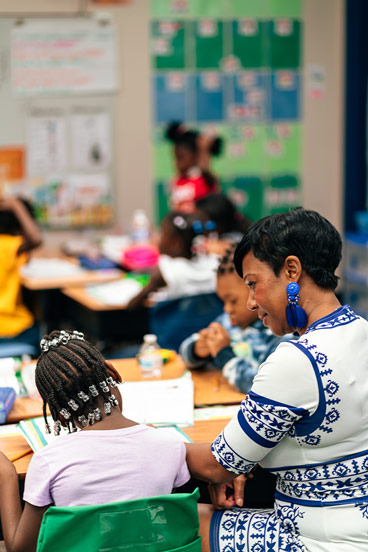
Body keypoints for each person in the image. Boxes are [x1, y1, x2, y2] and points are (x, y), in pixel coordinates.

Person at [183, 208, 368, 551]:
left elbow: (215, 465)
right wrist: (240, 461)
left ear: (292, 270)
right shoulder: (361, 331)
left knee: (170, 520)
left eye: (253, 284)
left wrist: (151, 447)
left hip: (311, 538)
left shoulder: (297, 360)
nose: (252, 302)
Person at [0, 330, 190, 552]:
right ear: (113, 372)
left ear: (59, 415)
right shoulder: (168, 445)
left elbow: (21, 549)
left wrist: (6, 475)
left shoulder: (48, 461)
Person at [180, 244, 292, 393]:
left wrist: (224, 355)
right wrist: (197, 349)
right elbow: (185, 354)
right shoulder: (228, 322)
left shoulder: (280, 333)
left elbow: (263, 387)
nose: (227, 309)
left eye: (233, 301)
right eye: (223, 302)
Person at [127, 211, 219, 309]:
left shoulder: (168, 267)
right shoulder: (214, 264)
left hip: (175, 323)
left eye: (162, 233)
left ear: (175, 243)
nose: (158, 238)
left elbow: (133, 304)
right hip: (208, 322)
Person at [0, 197, 42, 352]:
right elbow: (36, 239)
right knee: (47, 332)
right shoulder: (10, 246)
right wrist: (17, 206)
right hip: (10, 327)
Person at [166, 122, 223, 214]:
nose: (176, 164)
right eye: (175, 158)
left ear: (195, 157)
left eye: (181, 158)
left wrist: (203, 150)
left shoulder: (206, 180)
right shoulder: (178, 180)